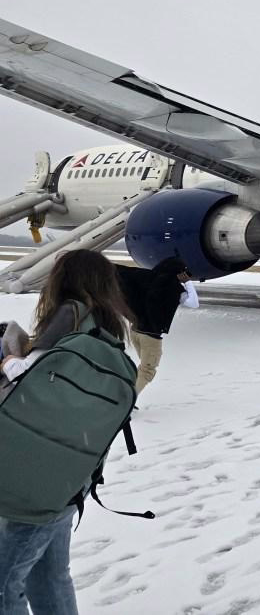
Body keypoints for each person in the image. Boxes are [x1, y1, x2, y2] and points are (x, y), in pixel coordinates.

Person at [0, 249, 131, 614]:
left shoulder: (67, 313)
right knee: (49, 575)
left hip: (34, 476)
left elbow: (27, 373)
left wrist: (9, 358)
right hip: (72, 476)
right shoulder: (107, 327)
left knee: (4, 582)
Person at [116, 256, 196, 394]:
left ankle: (126, 391)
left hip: (135, 331)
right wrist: (188, 283)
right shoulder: (174, 289)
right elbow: (193, 303)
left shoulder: (145, 277)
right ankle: (128, 400)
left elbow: (123, 272)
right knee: (147, 371)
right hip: (151, 336)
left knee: (142, 367)